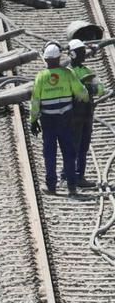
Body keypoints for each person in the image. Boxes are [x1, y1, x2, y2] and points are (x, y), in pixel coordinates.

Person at [30, 42, 89, 196]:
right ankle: (72, 187)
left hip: (48, 121)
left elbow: (35, 101)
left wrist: (33, 120)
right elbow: (82, 94)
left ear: (46, 60)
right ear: (58, 58)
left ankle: (51, 187)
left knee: (49, 153)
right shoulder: (68, 74)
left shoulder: (41, 77)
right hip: (66, 119)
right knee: (68, 152)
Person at [69, 38, 104, 188]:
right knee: (74, 145)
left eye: (84, 51)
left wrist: (91, 89)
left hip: (86, 114)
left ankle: (77, 175)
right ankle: (72, 174)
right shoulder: (68, 72)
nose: (84, 54)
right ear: (73, 54)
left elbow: (101, 89)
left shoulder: (87, 71)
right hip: (74, 115)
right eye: (81, 52)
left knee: (83, 146)